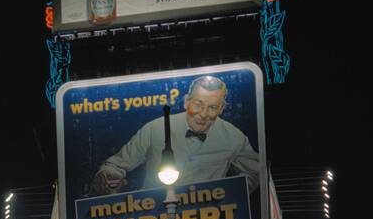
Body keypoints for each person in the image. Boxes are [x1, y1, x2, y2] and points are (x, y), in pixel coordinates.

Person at [89, 75, 261, 196]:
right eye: (198, 104)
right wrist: (109, 176)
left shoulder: (234, 137)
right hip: (149, 215)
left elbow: (255, 172)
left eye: (212, 107)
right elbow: (115, 164)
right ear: (187, 101)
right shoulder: (155, 128)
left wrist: (228, 196)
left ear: (221, 108)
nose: (203, 114)